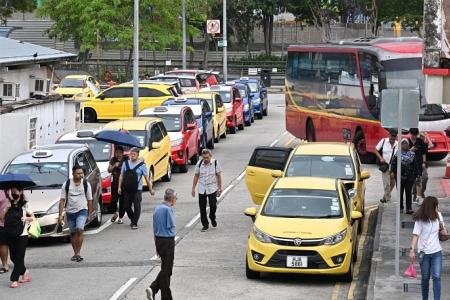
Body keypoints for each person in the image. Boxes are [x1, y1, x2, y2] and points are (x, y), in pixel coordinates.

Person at [409, 196, 446, 300]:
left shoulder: (439, 216)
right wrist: (412, 249)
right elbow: (415, 235)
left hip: (437, 252)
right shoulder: (420, 219)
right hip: (424, 253)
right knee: (425, 278)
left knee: (437, 277)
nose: (438, 206)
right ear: (432, 206)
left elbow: (443, 231)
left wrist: (443, 229)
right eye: (436, 205)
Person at [58, 165, 93, 262]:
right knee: (73, 233)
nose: (80, 175)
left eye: (81, 173)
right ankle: (75, 253)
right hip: (70, 211)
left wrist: (89, 214)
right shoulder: (67, 184)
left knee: (80, 229)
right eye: (78, 173)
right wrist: (60, 215)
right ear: (73, 173)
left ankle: (78, 253)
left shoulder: (86, 184)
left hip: (82, 210)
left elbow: (90, 200)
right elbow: (62, 200)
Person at [147, 188, 177, 300]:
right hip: (167, 241)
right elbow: (171, 226)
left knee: (166, 268)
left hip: (159, 241)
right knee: (167, 269)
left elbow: (155, 229)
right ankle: (157, 291)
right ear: (172, 198)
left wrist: (156, 246)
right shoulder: (167, 210)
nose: (176, 200)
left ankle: (156, 291)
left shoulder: (157, 209)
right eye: (176, 198)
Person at [4, 187, 34, 288]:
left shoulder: (26, 204)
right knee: (13, 256)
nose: (14, 192)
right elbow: (4, 218)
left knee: (19, 257)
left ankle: (14, 279)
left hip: (23, 234)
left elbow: (33, 218)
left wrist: (26, 218)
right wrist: (6, 209)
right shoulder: (9, 203)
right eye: (12, 191)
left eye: (16, 190)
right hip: (11, 233)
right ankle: (24, 272)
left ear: (21, 191)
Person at [118, 147, 155, 230]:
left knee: (137, 206)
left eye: (134, 154)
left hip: (137, 189)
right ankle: (132, 218)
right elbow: (121, 175)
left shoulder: (142, 165)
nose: (132, 156)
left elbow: (147, 178)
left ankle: (134, 223)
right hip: (127, 188)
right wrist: (119, 187)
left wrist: (151, 189)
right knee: (126, 206)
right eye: (131, 154)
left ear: (138, 155)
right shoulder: (125, 163)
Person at [191, 149, 222, 232]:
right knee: (202, 208)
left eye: (207, 157)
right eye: (204, 158)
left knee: (213, 205)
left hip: (212, 188)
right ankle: (205, 225)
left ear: (210, 156)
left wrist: (219, 188)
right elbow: (196, 176)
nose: (205, 159)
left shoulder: (215, 163)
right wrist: (193, 188)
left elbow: (218, 176)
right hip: (202, 188)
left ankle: (212, 217)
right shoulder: (199, 164)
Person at [391, 139, 420, 214]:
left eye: (406, 143)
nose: (405, 145)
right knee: (400, 193)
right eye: (403, 143)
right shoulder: (397, 154)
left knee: (408, 192)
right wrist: (392, 172)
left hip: (410, 177)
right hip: (399, 176)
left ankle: (409, 208)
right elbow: (393, 164)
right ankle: (400, 207)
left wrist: (417, 176)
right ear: (400, 145)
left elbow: (416, 166)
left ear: (408, 145)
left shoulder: (412, 154)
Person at [374, 129, 398, 203]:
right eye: (391, 136)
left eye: (394, 137)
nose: (392, 139)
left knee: (393, 183)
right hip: (385, 166)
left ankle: (384, 197)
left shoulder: (397, 144)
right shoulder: (383, 141)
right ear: (389, 135)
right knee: (386, 184)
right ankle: (388, 200)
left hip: (394, 167)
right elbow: (375, 150)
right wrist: (381, 158)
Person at [408, 128, 428, 204]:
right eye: (412, 135)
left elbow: (423, 153)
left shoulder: (420, 141)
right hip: (409, 164)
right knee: (410, 181)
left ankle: (419, 197)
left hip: (419, 163)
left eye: (415, 135)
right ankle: (412, 197)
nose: (414, 137)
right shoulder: (406, 141)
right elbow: (403, 153)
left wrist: (424, 162)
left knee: (418, 180)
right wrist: (411, 149)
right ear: (410, 133)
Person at [108, 146, 127, 224]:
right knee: (113, 200)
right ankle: (115, 213)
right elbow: (109, 170)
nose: (118, 154)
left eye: (119, 152)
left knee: (122, 201)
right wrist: (114, 165)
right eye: (116, 152)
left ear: (122, 153)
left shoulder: (126, 159)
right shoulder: (113, 160)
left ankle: (121, 217)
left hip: (124, 184)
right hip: (115, 183)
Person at [0, 190, 9, 274]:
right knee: (3, 244)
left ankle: (5, 265)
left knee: (2, 244)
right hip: (7, 222)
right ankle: (5, 265)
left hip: (3, 222)